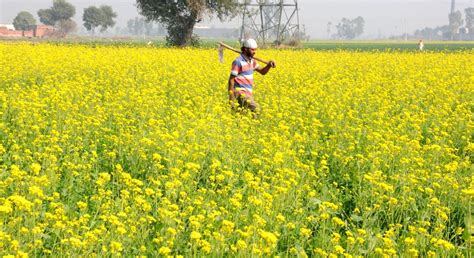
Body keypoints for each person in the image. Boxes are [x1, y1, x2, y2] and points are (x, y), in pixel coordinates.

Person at [228, 38, 276, 118]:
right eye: (252, 50)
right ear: (246, 49)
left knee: (241, 116)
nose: (254, 52)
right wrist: (231, 98)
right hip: (241, 93)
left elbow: (262, 71)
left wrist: (268, 65)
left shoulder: (252, 61)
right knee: (256, 109)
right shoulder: (238, 62)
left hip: (248, 94)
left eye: (255, 50)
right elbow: (231, 80)